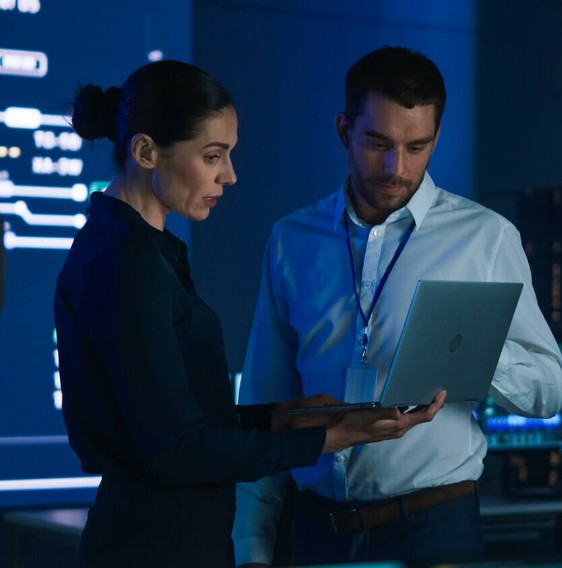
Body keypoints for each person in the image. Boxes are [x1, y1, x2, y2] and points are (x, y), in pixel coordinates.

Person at [54, 60, 443, 568]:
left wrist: (285, 418)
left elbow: (173, 420)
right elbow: (176, 449)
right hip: (153, 546)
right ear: (145, 151)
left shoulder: (139, 250)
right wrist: (326, 439)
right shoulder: (125, 261)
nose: (230, 175)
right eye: (213, 156)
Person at [232, 46, 562, 567]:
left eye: (417, 147)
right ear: (343, 129)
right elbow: (267, 399)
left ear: (436, 137)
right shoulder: (290, 240)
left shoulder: (485, 237)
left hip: (436, 527)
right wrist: (251, 546)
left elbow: (549, 390)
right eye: (378, 144)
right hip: (315, 530)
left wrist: (472, 350)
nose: (397, 167)